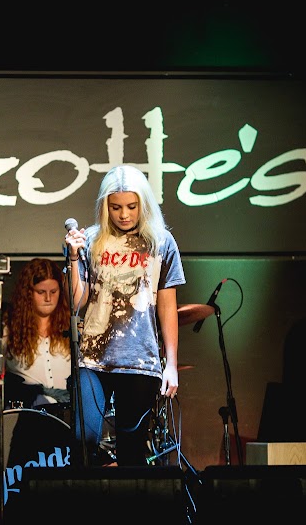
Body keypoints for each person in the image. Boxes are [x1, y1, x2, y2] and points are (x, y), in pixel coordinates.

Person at [65, 164, 186, 466]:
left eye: (131, 206)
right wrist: (73, 257)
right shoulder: (90, 240)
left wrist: (171, 364)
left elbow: (167, 306)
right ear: (105, 207)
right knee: (84, 439)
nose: (124, 214)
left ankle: (125, 499)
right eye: (115, 207)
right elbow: (76, 302)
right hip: (93, 357)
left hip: (139, 359)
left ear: (143, 203)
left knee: (131, 453)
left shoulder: (161, 242)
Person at [0, 258, 72, 413]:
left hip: (67, 414)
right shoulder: (7, 329)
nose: (48, 298)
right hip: (25, 414)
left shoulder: (71, 328)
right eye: (41, 292)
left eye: (53, 292)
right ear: (28, 293)